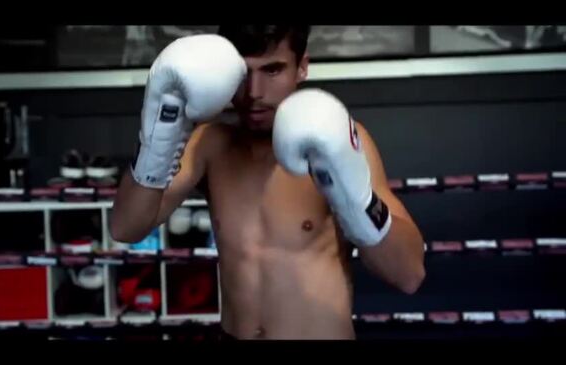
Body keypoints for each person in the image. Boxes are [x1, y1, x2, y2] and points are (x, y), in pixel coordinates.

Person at [110, 25, 425, 340]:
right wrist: (157, 140)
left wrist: (358, 202)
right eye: (244, 73)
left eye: (272, 70)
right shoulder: (211, 144)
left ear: (302, 67)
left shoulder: (338, 140)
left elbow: (409, 275)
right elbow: (126, 228)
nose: (254, 92)